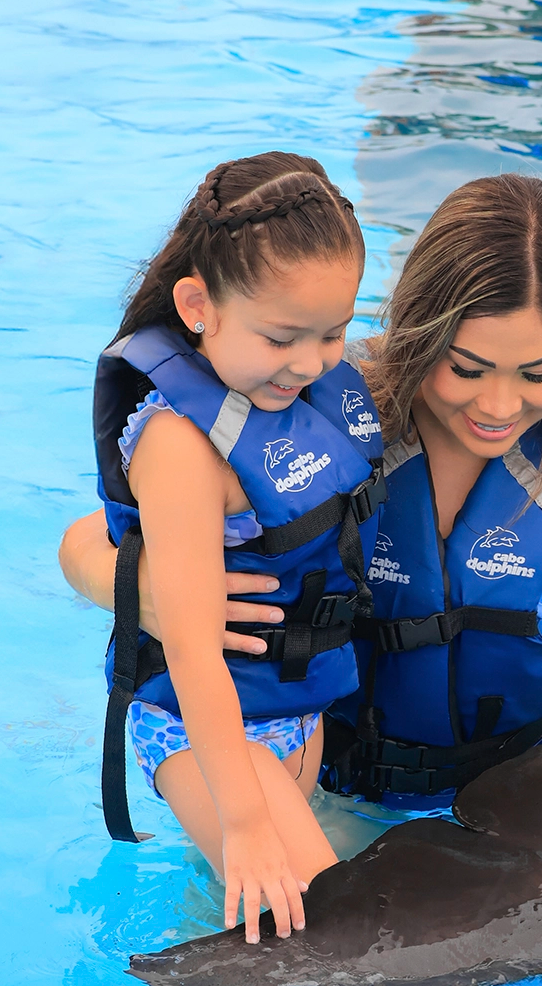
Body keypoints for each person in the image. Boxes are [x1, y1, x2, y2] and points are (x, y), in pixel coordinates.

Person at [64, 173, 542, 835]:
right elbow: (88, 542)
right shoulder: (326, 420)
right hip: (323, 792)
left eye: (537, 372)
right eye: (466, 368)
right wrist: (141, 591)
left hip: (523, 804)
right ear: (421, 322)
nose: (498, 406)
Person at [76, 152, 385, 945]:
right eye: (282, 336)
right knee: (312, 932)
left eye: (334, 332)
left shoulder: (309, 391)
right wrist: (245, 821)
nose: (313, 363)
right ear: (197, 306)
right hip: (203, 722)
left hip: (289, 705)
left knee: (248, 915)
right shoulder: (180, 448)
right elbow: (189, 648)